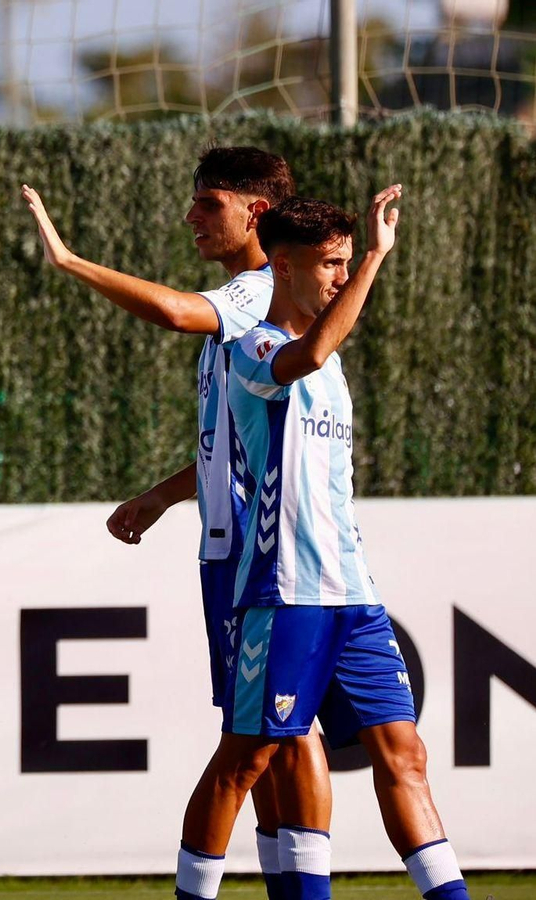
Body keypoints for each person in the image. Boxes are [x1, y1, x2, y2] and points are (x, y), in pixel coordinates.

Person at [23, 148, 329, 900]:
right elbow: (241, 445)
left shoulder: (257, 295)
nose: (190, 215)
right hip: (231, 551)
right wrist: (163, 495)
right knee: (266, 738)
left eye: (208, 202)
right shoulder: (250, 301)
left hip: (265, 557)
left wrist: (69, 261)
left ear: (256, 213)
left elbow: (169, 310)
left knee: (276, 736)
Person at [188, 188, 469, 900]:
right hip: (283, 592)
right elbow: (307, 355)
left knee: (404, 751)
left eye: (347, 263)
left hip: (354, 593)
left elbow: (324, 350)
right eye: (330, 265)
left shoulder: (332, 355)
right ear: (282, 266)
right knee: (246, 761)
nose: (341, 278)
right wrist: (377, 256)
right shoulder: (252, 347)